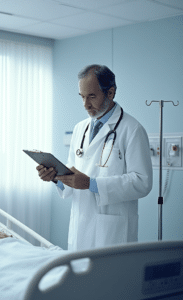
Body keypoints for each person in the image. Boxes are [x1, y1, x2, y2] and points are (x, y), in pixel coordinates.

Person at [37, 64, 153, 251]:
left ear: (111, 93)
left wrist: (92, 184)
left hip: (113, 232)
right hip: (81, 225)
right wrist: (56, 178)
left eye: (92, 96)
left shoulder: (132, 129)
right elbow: (73, 174)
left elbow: (142, 182)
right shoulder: (79, 129)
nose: (85, 104)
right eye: (82, 96)